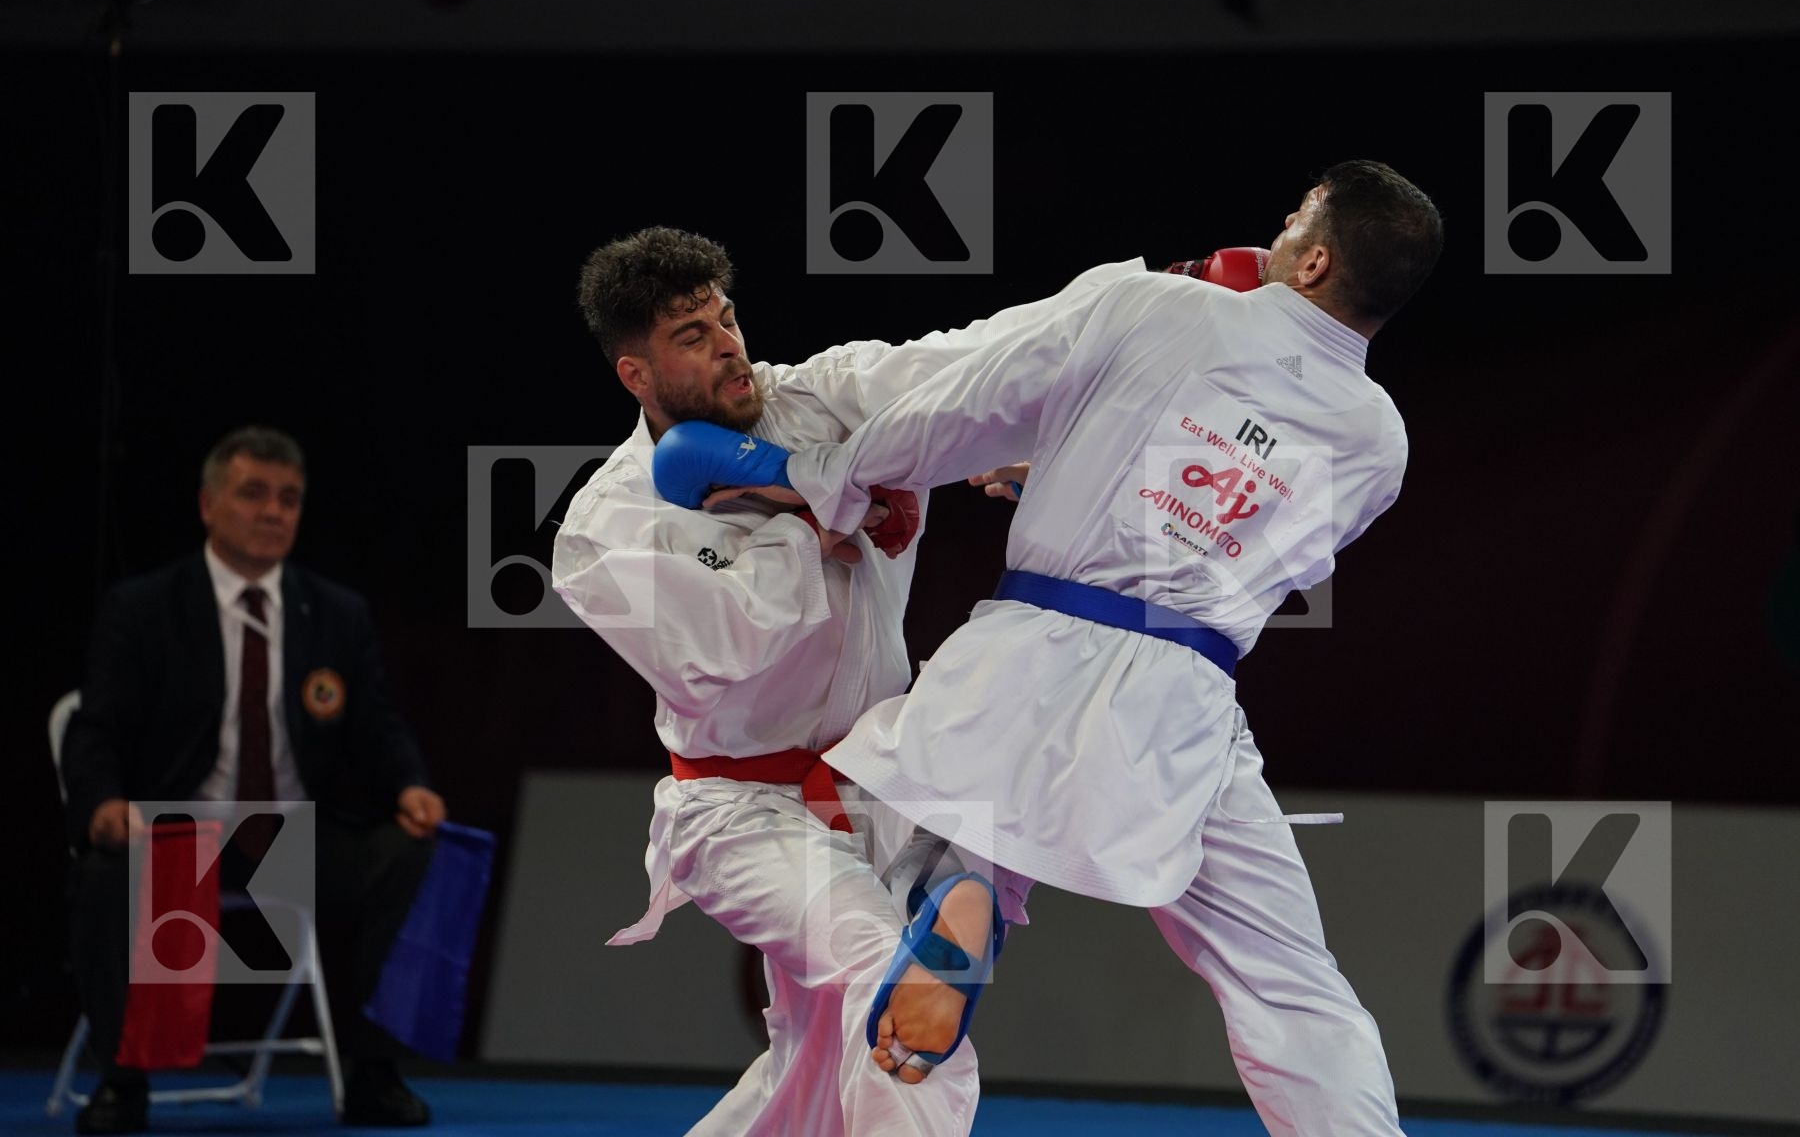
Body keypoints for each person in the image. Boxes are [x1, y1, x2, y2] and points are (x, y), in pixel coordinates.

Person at [708, 161, 1444, 1134]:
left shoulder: (1159, 304)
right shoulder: (1380, 443)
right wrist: (1077, 471)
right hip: (1184, 703)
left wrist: (825, 475)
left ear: (1313, 263)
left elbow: (965, 403)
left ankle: (961, 887)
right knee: (1288, 980)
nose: (1280, 220)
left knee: (910, 851)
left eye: (1300, 215)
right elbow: (1246, 541)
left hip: (1030, 649)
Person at [549, 226, 1148, 1135]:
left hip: (881, 778)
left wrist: (1148, 296)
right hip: (741, 809)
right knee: (896, 982)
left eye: (727, 319)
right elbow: (720, 652)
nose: (728, 347)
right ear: (636, 373)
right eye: (692, 337)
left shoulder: (820, 403)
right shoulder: (608, 525)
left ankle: (969, 882)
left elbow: (969, 359)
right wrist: (815, 513)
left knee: (812, 1065)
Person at [60, 426, 446, 1133]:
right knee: (105, 871)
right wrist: (103, 805)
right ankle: (121, 1080)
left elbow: (377, 726)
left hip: (291, 841)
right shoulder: (144, 608)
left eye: (289, 499)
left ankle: (374, 1073)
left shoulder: (335, 612)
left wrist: (408, 785)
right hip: (178, 839)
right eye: (253, 494)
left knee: (409, 852)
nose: (273, 512)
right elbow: (96, 730)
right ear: (208, 505)